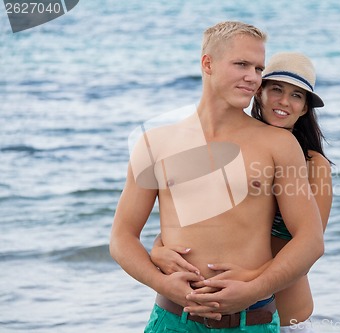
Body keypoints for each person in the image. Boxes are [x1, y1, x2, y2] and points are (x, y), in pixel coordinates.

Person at [109, 21, 324, 333]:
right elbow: (121, 238)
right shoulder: (155, 143)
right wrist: (163, 283)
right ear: (207, 63)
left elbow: (310, 240)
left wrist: (254, 288)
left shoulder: (277, 144)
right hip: (172, 321)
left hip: (253, 321)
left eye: (259, 68)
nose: (253, 77)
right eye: (241, 64)